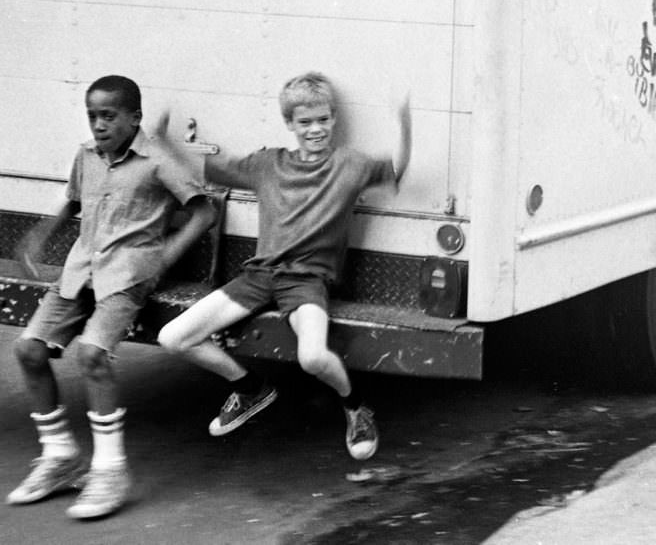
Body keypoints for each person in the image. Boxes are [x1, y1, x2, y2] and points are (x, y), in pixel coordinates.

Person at [157, 71, 411, 461]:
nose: (315, 130)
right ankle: (250, 389)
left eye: (323, 120)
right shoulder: (267, 164)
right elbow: (208, 167)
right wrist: (163, 140)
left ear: (334, 120)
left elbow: (395, 172)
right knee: (172, 338)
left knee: (312, 358)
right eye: (305, 122)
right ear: (289, 124)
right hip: (258, 276)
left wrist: (404, 124)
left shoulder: (350, 164)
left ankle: (356, 407)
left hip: (307, 282)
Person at [7, 75, 215, 519]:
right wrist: (42, 234)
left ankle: (109, 471)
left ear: (134, 118)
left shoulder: (157, 160)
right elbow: (74, 201)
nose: (99, 125)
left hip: (127, 275)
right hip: (81, 269)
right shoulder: (86, 155)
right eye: (92, 116)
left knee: (92, 356)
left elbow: (203, 211)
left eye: (108, 116)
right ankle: (60, 456)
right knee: (27, 350)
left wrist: (166, 258)